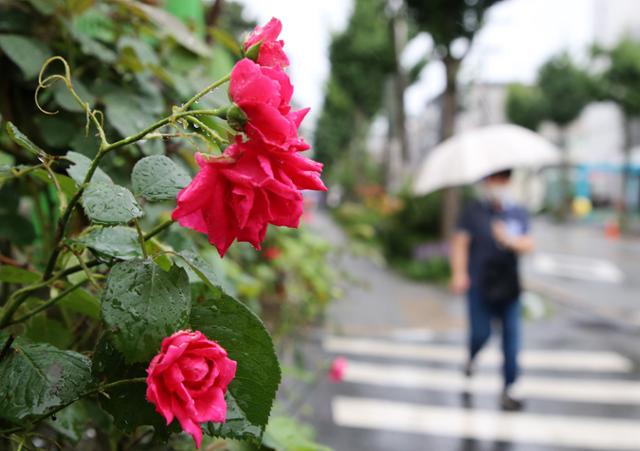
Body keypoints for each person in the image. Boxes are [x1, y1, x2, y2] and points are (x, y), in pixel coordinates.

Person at [449, 169, 534, 411]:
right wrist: (459, 274)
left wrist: (508, 239)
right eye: (495, 178)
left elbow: (529, 243)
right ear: (487, 181)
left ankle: (510, 387)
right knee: (480, 333)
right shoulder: (474, 210)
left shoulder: (517, 211)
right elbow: (460, 243)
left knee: (511, 338)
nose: (499, 183)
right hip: (479, 284)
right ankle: (471, 357)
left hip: (509, 286)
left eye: (504, 178)